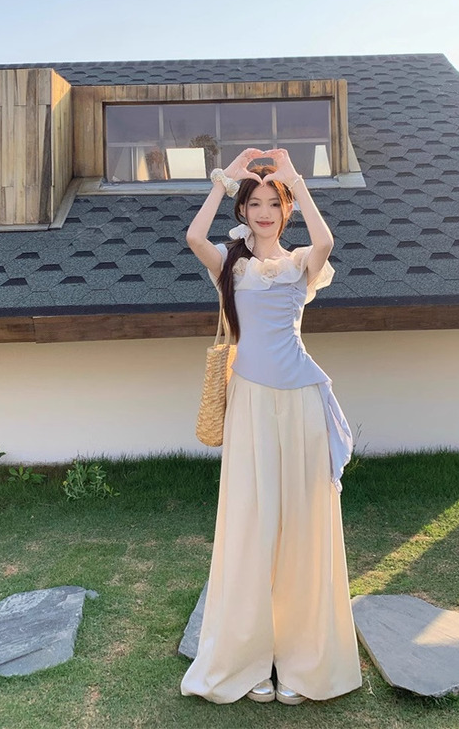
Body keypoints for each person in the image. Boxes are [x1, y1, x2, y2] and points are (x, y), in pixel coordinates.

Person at [180, 147, 362, 705]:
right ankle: (250, 658)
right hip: (251, 403)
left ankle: (304, 662)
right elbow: (193, 236)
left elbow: (327, 242)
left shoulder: (302, 260)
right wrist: (224, 178)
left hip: (302, 401)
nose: (263, 212)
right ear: (243, 210)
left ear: (286, 211)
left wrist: (295, 179)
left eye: (273, 203)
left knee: (304, 525)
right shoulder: (230, 264)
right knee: (251, 525)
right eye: (254, 203)